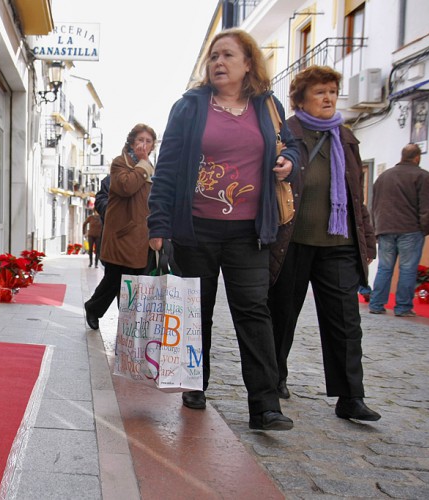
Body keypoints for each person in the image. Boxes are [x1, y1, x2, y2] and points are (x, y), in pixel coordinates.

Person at [148, 29, 297, 431]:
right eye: (214, 56)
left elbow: (292, 146)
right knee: (198, 313)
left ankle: (265, 406)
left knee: (253, 312)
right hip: (196, 229)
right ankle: (195, 384)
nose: (218, 62)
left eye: (228, 55)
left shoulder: (268, 106)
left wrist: (289, 163)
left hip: (250, 231)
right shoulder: (190, 107)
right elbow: (167, 168)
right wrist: (158, 224)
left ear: (248, 63)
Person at [268, 65, 381, 421]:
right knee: (282, 316)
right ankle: (274, 379)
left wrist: (366, 236)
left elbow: (355, 192)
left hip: (339, 243)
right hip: (294, 241)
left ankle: (350, 396)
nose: (329, 97)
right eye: (320, 92)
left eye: (332, 91)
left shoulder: (345, 137)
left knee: (345, 322)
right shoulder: (289, 134)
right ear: (300, 99)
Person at [85, 124, 155, 330]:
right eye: (140, 140)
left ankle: (128, 327)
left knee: (134, 282)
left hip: (143, 235)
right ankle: (94, 308)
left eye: (148, 141)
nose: (144, 144)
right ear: (132, 142)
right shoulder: (120, 163)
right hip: (122, 235)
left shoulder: (151, 168)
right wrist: (142, 164)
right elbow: (126, 187)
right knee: (114, 279)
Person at [369, 143, 429, 317]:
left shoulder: (384, 176)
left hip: (385, 228)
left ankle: (376, 303)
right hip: (410, 229)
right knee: (407, 269)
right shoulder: (423, 176)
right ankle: (403, 307)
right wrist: (424, 229)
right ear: (417, 157)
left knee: (384, 267)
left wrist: (375, 228)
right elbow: (426, 207)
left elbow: (374, 204)